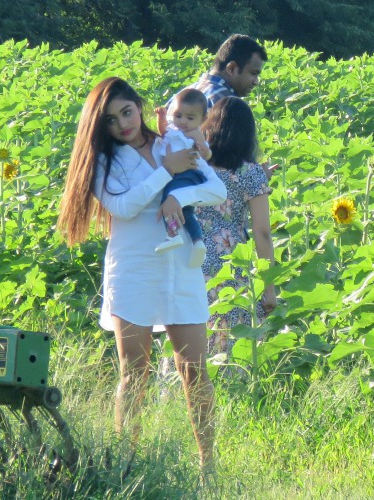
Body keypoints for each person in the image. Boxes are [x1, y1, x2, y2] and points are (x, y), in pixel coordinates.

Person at [57, 77, 227, 473]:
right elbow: (124, 207)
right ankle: (126, 466)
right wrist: (164, 174)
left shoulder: (172, 141)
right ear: (100, 127)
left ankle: (208, 465)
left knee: (194, 371)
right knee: (135, 373)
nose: (123, 124)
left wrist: (177, 195)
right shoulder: (104, 161)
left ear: (139, 105)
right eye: (112, 120)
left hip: (180, 267)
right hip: (133, 270)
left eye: (127, 111)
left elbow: (215, 189)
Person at [196, 96, 277, 356]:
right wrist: (269, 289)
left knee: (191, 331)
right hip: (231, 264)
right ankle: (232, 392)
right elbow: (262, 233)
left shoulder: (197, 166)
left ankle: (179, 392)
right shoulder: (251, 173)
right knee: (232, 335)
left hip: (191, 256)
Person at [152, 88, 213, 267]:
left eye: (190, 118)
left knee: (168, 201)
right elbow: (163, 132)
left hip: (188, 173)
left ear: (203, 120)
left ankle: (173, 235)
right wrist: (161, 118)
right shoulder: (173, 129)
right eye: (178, 115)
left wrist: (202, 147)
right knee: (186, 211)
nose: (183, 122)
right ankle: (197, 241)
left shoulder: (195, 134)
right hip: (177, 174)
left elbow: (207, 155)